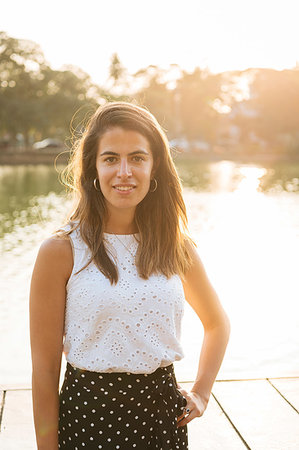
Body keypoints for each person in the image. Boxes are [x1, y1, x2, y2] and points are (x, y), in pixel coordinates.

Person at [30, 101, 230, 450]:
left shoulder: (176, 247)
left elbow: (217, 324)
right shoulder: (60, 251)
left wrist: (201, 392)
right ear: (93, 167)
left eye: (137, 158)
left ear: (155, 169)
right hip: (88, 421)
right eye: (111, 158)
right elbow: (45, 372)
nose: (124, 171)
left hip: (162, 420)